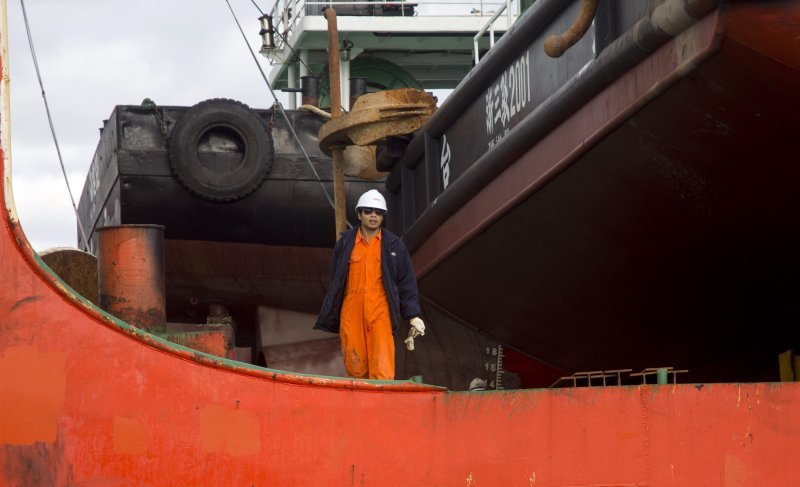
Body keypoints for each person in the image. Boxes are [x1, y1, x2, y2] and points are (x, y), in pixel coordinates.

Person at [314, 189, 425, 380]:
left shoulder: (394, 246)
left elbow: (406, 282)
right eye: (368, 211)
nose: (374, 215)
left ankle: (382, 406)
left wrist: (413, 315)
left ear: (383, 217)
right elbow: (336, 280)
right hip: (352, 312)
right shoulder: (346, 243)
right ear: (359, 214)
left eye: (378, 212)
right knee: (355, 367)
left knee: (382, 368)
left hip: (380, 312)